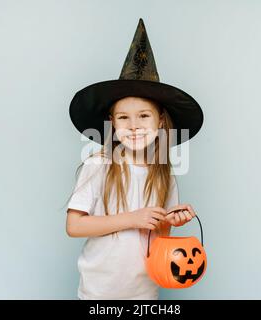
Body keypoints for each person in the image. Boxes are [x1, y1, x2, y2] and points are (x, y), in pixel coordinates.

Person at [65, 18, 204, 300]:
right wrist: (133, 218)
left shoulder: (165, 175)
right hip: (99, 292)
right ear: (112, 124)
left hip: (144, 291)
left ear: (160, 121)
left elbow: (158, 237)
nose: (134, 126)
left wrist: (169, 222)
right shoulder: (99, 165)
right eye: (124, 118)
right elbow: (75, 226)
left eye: (144, 116)